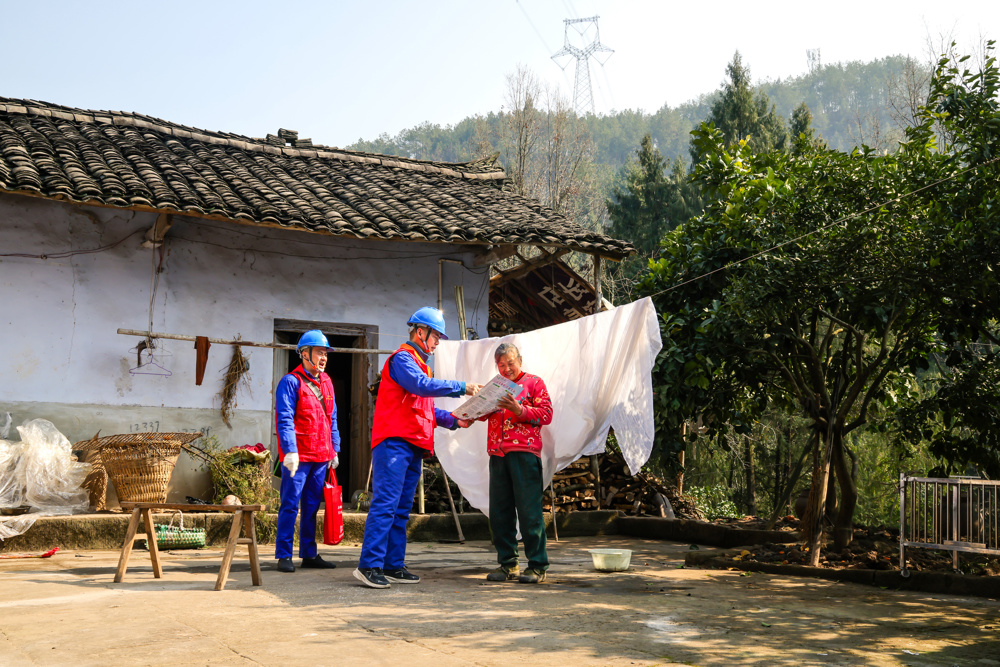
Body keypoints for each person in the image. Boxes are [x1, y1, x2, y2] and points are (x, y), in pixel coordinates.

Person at [353, 307, 481, 589]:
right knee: (386, 505)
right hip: (394, 443)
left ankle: (393, 565)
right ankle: (369, 565)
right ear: (420, 332)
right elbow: (421, 387)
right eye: (436, 336)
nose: (437, 343)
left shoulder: (420, 365)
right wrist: (463, 387)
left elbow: (425, 407)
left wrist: (455, 420)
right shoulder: (402, 360)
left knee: (400, 510)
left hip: (412, 445)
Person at [478, 342, 553, 584]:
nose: (506, 368)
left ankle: (538, 565)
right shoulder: (495, 386)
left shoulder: (534, 383)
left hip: (524, 453)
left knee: (529, 511)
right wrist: (474, 410)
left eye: (510, 363)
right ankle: (508, 564)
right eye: (501, 365)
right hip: (497, 454)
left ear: (519, 360)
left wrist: (520, 409)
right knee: (500, 513)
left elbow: (546, 414)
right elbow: (484, 413)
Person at [273, 330, 341, 573]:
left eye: (325, 353)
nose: (323, 357)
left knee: (312, 506)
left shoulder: (328, 382)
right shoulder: (291, 382)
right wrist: (289, 451)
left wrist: (335, 449)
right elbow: (284, 419)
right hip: (299, 457)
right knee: (290, 504)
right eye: (319, 352)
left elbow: (332, 417)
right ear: (304, 353)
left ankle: (309, 553)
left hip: (321, 456)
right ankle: (283, 554)